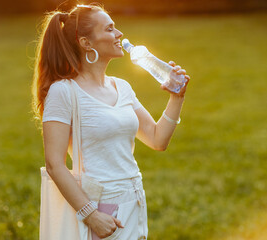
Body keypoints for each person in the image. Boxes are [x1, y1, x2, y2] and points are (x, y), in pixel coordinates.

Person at [32, 3, 190, 239]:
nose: (119, 34)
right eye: (109, 29)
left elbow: (158, 139)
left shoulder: (122, 86)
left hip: (134, 200)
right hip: (100, 208)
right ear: (86, 42)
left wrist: (177, 97)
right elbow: (54, 163)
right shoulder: (63, 92)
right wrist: (91, 215)